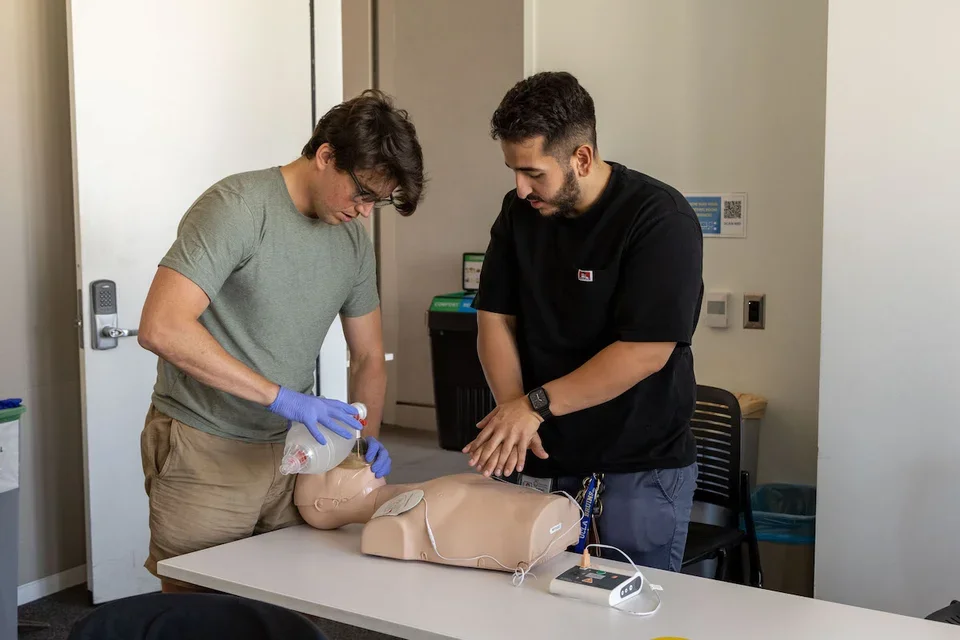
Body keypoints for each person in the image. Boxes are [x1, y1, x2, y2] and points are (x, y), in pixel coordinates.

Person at [136, 89, 424, 592]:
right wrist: (281, 398)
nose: (364, 212)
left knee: (285, 606)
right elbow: (162, 326)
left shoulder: (352, 240)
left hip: (295, 456)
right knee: (199, 615)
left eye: (376, 202)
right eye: (361, 193)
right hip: (208, 447)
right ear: (326, 155)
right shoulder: (239, 208)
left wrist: (363, 440)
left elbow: (369, 355)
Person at [464, 71, 703, 572]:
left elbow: (645, 351)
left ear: (582, 158)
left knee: (629, 606)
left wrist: (533, 406)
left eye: (533, 172)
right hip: (545, 449)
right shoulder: (518, 213)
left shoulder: (661, 219)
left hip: (639, 462)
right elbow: (494, 319)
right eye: (512, 170)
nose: (520, 187)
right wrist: (514, 412)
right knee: (532, 599)